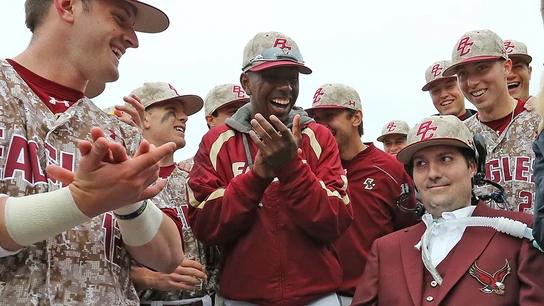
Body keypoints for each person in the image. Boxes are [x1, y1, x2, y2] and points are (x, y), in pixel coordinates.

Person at [0, 1, 184, 304]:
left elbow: (168, 256)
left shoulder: (120, 132)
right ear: (68, 5)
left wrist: (127, 203)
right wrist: (80, 201)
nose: (133, 39)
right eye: (120, 18)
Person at [186, 31, 352, 306]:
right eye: (273, 76)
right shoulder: (216, 141)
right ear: (246, 83)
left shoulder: (319, 137)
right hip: (243, 299)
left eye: (292, 78)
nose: (286, 87)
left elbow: (335, 222)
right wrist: (257, 177)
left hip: (317, 297)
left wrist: (291, 168)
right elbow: (205, 226)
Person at [352, 115, 544, 306]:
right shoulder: (385, 249)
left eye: (445, 159)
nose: (433, 173)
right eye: (421, 164)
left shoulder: (524, 233)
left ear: (472, 166)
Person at [306, 83, 418, 306]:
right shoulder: (308, 167)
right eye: (316, 119)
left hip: (373, 295)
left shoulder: (391, 169)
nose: (321, 126)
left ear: (356, 118)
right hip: (317, 295)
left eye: (329, 115)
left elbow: (408, 234)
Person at [122, 82, 218, 306]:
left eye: (185, 114)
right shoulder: (120, 181)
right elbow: (94, 259)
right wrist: (151, 277)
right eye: (172, 111)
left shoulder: (193, 180)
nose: (184, 118)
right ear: (144, 118)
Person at [442, 29, 539, 214]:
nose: (472, 82)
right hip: (483, 241)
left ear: (506, 67)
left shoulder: (538, 120)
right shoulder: (459, 135)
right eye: (463, 74)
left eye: (482, 68)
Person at [178, 83, 249, 173]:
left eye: (247, 110)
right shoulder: (192, 168)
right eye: (234, 112)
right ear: (211, 120)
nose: (243, 117)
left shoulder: (267, 153)